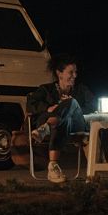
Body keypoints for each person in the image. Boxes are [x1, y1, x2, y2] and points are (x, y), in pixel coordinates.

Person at [27, 53, 95, 183]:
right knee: (61, 119)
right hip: (55, 125)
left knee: (72, 103)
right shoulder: (46, 89)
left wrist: (72, 110)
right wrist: (48, 108)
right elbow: (30, 104)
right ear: (59, 74)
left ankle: (44, 130)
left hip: (74, 127)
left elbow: (92, 105)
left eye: (76, 72)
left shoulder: (81, 89)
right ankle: (93, 173)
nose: (75, 75)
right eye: (71, 72)